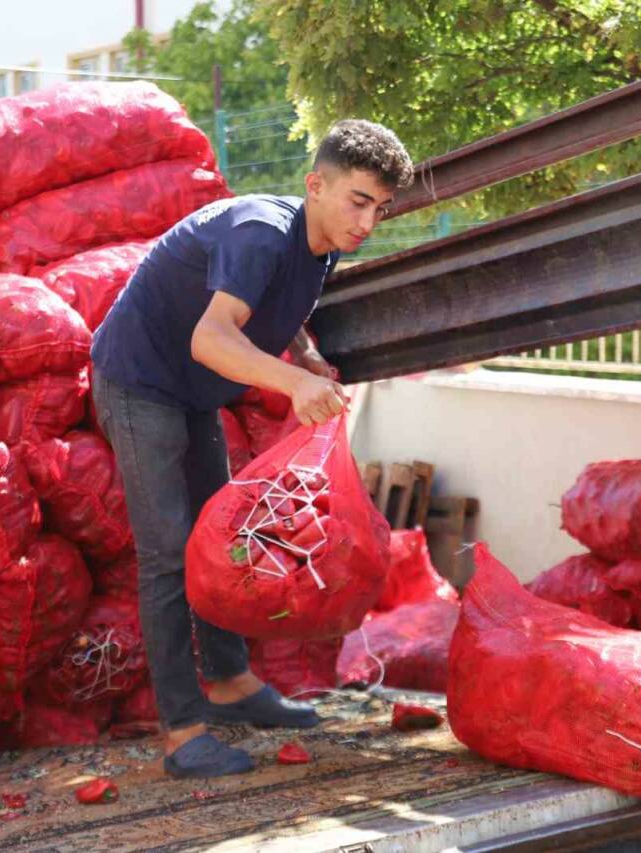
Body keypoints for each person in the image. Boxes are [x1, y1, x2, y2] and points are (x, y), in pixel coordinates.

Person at [89, 119, 414, 778]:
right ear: (314, 184)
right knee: (168, 550)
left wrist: (307, 355)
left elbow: (278, 307)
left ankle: (232, 681)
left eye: (381, 208)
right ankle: (182, 731)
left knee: (225, 534)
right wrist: (292, 383)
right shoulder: (261, 233)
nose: (368, 222)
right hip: (139, 379)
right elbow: (211, 338)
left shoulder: (322, 244)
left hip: (193, 393)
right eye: (359, 201)